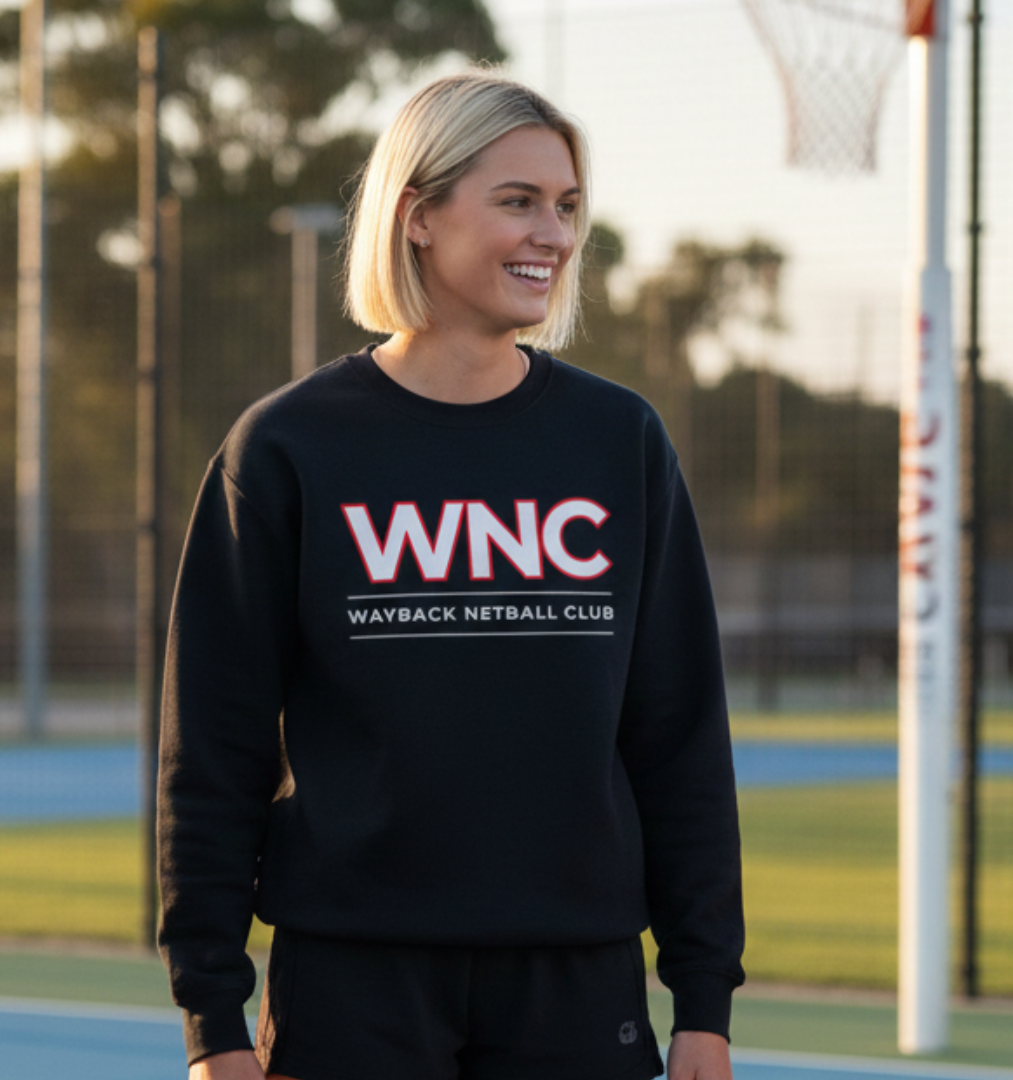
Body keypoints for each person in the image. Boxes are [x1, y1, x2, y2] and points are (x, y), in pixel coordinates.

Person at [158, 70, 744, 1080]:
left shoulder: (619, 442)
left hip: (577, 983)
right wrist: (212, 1017)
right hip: (352, 985)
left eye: (565, 207)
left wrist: (703, 994)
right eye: (517, 201)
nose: (554, 236)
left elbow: (679, 732)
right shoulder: (287, 447)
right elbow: (213, 745)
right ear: (418, 215)